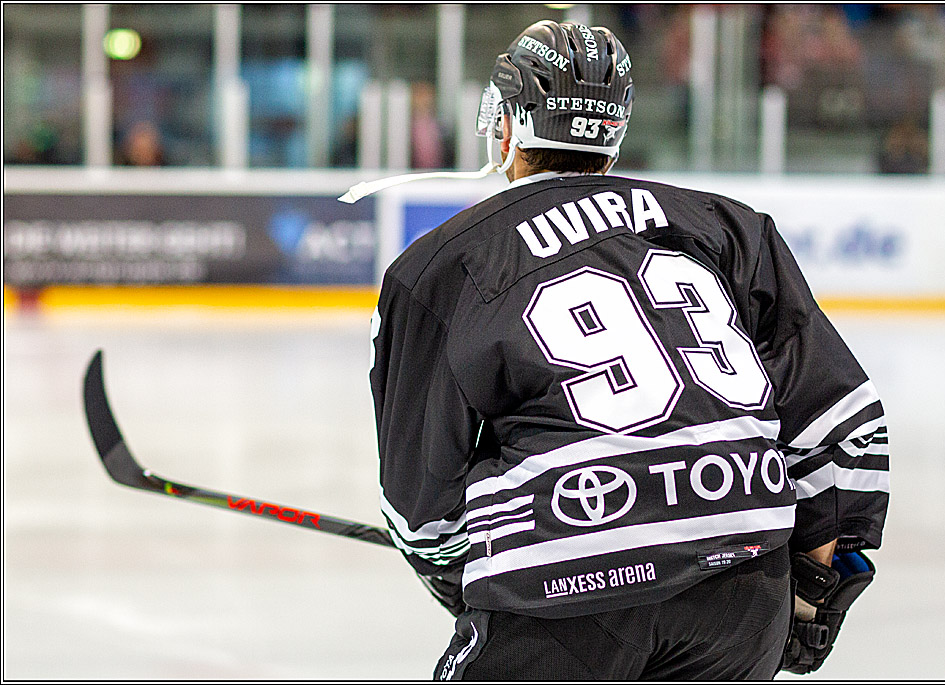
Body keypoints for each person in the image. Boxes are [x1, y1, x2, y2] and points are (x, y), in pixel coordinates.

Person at [365, 20, 888, 680]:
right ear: (614, 126)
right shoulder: (728, 227)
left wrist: (466, 576)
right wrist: (816, 598)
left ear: (508, 126)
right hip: (744, 587)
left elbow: (420, 506)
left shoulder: (443, 264)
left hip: (565, 589)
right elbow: (844, 424)